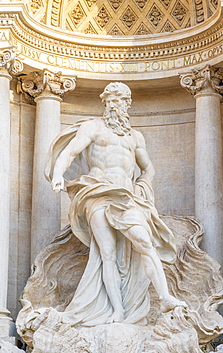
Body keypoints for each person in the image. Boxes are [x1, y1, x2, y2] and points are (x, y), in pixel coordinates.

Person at [45, 82, 186, 327]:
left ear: (126, 104)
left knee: (145, 242)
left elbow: (148, 167)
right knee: (106, 253)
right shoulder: (93, 128)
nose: (111, 105)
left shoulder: (135, 137)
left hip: (126, 196)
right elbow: (69, 153)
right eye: (108, 100)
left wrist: (144, 185)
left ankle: (164, 297)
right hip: (98, 193)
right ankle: (117, 310)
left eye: (117, 101)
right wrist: (58, 174)